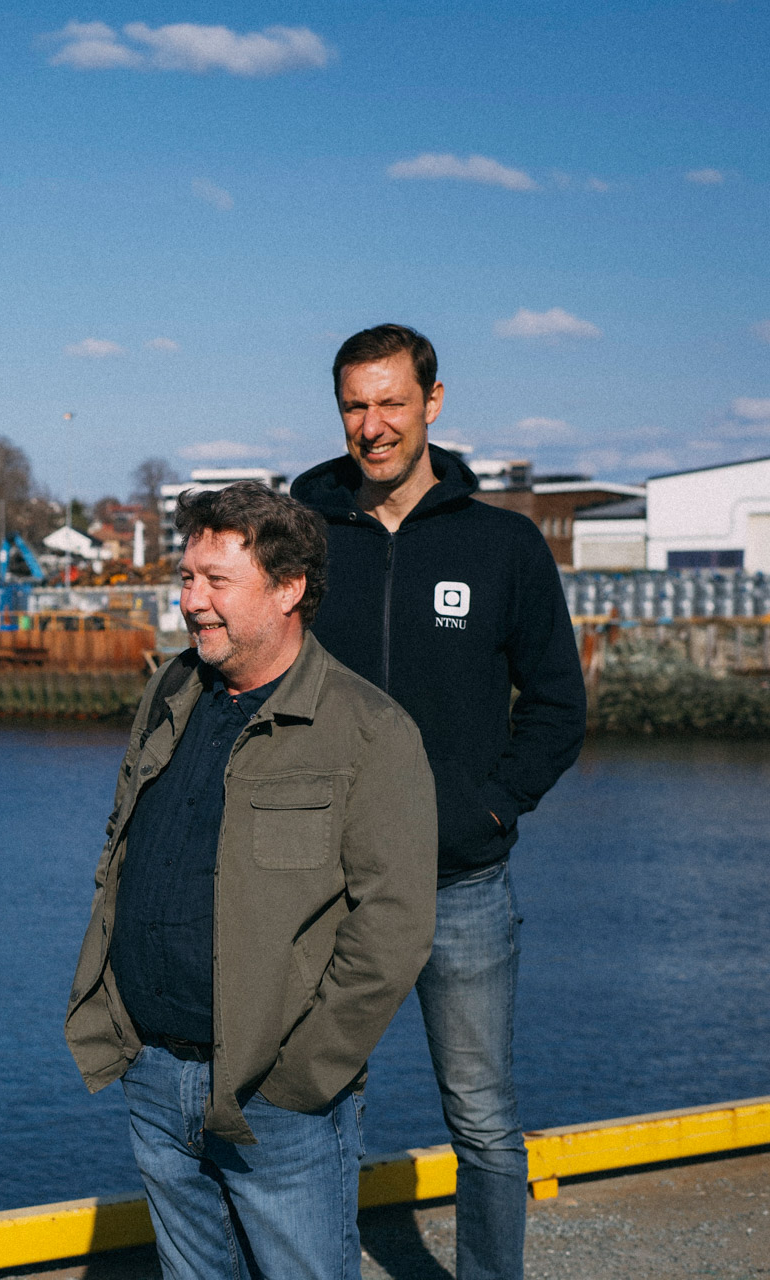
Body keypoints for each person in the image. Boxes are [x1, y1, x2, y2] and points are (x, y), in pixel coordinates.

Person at [66, 481, 438, 1280]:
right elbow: (121, 844)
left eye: (216, 581)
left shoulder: (368, 731)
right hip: (154, 1072)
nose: (192, 601)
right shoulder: (172, 691)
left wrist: (302, 1076)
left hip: (276, 1100)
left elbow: (394, 927)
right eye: (187, 577)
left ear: (289, 588)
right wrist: (121, 1026)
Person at [291, 324, 587, 1280]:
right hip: (328, 888)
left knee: (485, 1119)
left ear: (433, 401)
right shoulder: (304, 531)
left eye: (390, 403)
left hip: (462, 881)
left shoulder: (502, 544)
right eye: (354, 406)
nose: (371, 426)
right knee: (318, 1107)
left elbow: (555, 708)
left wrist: (490, 811)